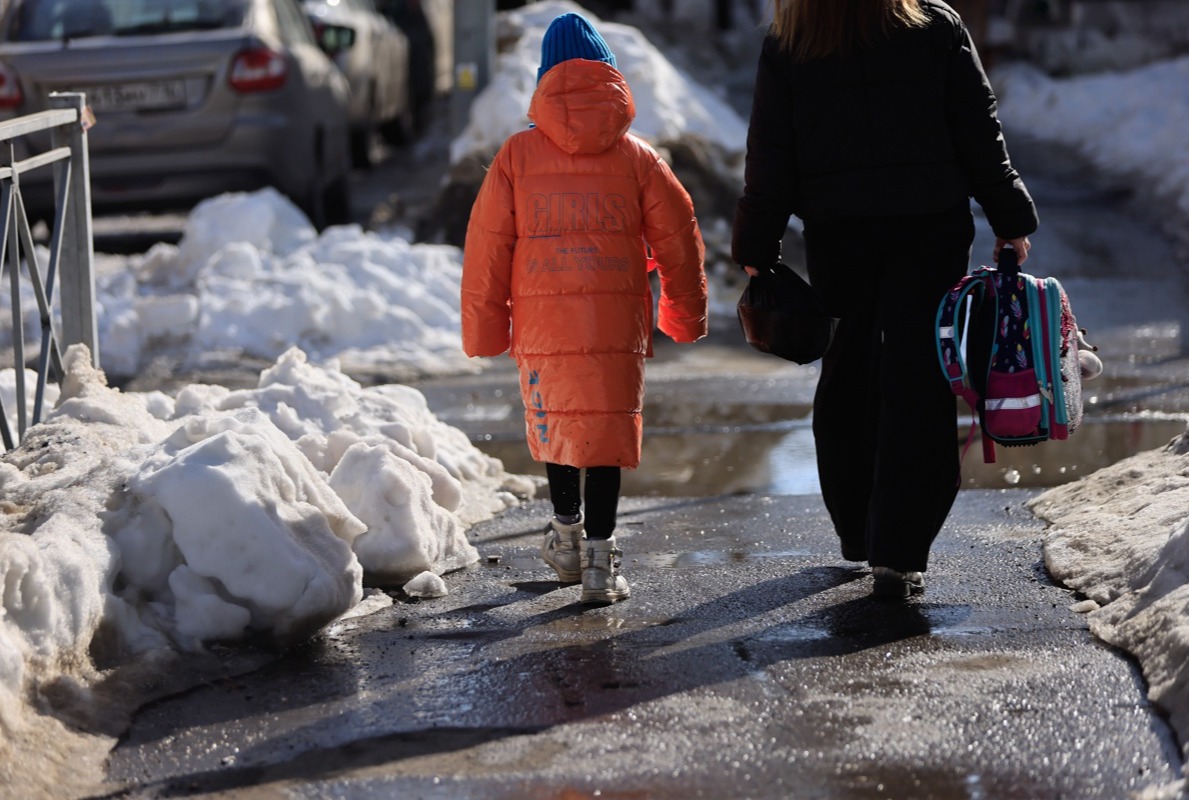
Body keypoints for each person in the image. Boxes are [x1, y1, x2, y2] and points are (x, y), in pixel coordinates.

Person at [731, 0, 1038, 599]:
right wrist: (1010, 216)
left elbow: (771, 148)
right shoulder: (934, 26)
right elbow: (977, 127)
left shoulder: (793, 38)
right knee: (919, 377)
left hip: (839, 233)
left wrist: (757, 241)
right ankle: (899, 548)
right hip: (930, 226)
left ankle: (858, 527)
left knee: (850, 369)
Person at [461, 12, 708, 604]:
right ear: (609, 76)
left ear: (545, 78)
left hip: (543, 325)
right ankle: (600, 561)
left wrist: (485, 328)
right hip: (616, 322)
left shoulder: (516, 157)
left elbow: (487, 249)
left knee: (558, 425)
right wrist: (683, 312)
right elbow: (680, 239)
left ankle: (566, 539)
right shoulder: (638, 158)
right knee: (603, 431)